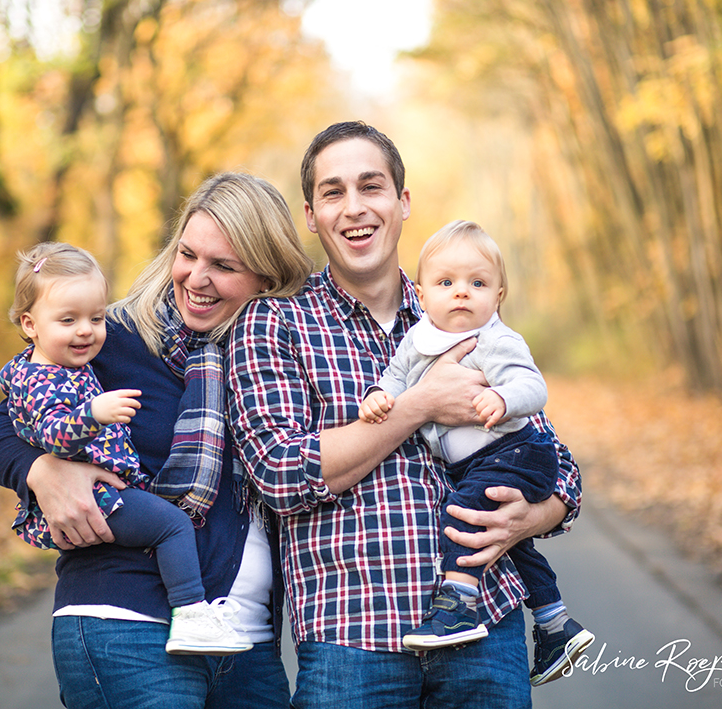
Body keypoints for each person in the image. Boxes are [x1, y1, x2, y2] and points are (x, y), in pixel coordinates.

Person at [227, 121, 582, 708]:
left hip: (485, 633)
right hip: (352, 644)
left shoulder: (462, 306)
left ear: (402, 201)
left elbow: (555, 460)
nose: (355, 208)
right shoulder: (275, 323)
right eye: (333, 192)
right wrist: (419, 404)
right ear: (312, 214)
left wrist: (533, 516)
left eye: (372, 186)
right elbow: (281, 473)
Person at [0, 172, 313, 709]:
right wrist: (41, 471)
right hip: (130, 627)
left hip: (247, 642)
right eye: (188, 254)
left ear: (267, 277)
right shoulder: (115, 334)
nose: (197, 278)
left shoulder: (282, 358)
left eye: (223, 266)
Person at [358, 220, 594, 684]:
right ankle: (555, 623)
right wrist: (377, 396)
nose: (462, 293)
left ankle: (458, 607)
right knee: (506, 542)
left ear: (498, 296)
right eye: (446, 283)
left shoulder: (495, 339)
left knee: (462, 514)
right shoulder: (417, 340)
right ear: (421, 295)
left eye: (478, 283)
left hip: (519, 450)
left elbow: (532, 386)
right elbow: (394, 377)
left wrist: (504, 398)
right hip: (479, 463)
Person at [0, 240, 251, 656]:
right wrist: (89, 418)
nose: (86, 330)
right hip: (102, 501)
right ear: (30, 324)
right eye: (68, 319)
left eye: (96, 317)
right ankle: (190, 612)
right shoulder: (47, 374)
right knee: (172, 525)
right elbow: (41, 433)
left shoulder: (70, 359)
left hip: (117, 494)